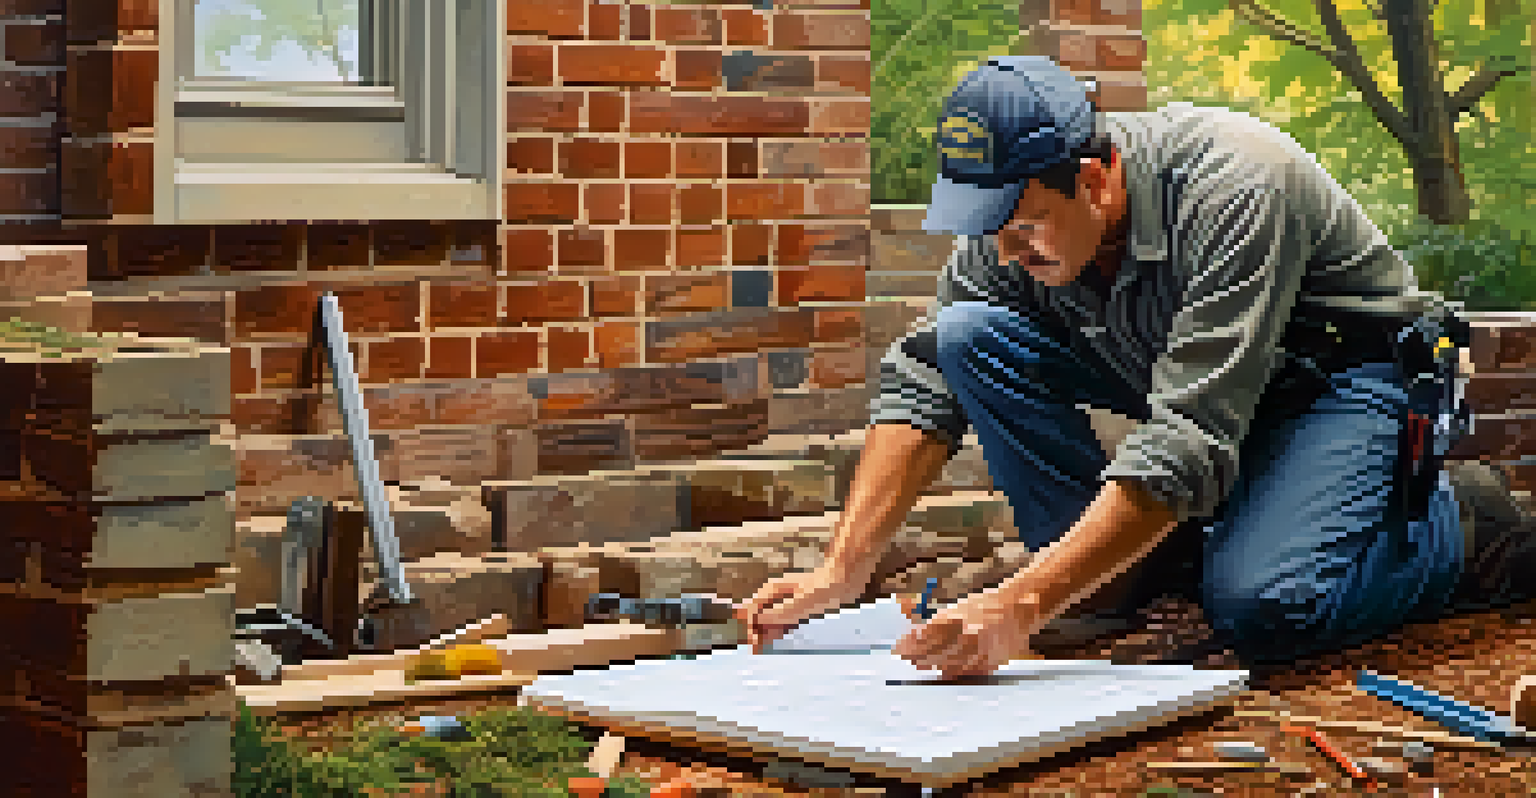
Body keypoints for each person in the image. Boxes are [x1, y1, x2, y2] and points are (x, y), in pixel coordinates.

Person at [738, 56, 1535, 678]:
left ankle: (1454, 526)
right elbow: (923, 382)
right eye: (988, 233)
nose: (1005, 254)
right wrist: (842, 572)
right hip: (1201, 389)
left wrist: (1018, 602)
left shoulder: (1236, 183)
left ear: (1095, 178)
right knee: (964, 332)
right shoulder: (1006, 237)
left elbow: (1189, 435)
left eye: (1024, 229)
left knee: (1265, 607)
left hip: (1343, 386)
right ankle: (1131, 571)